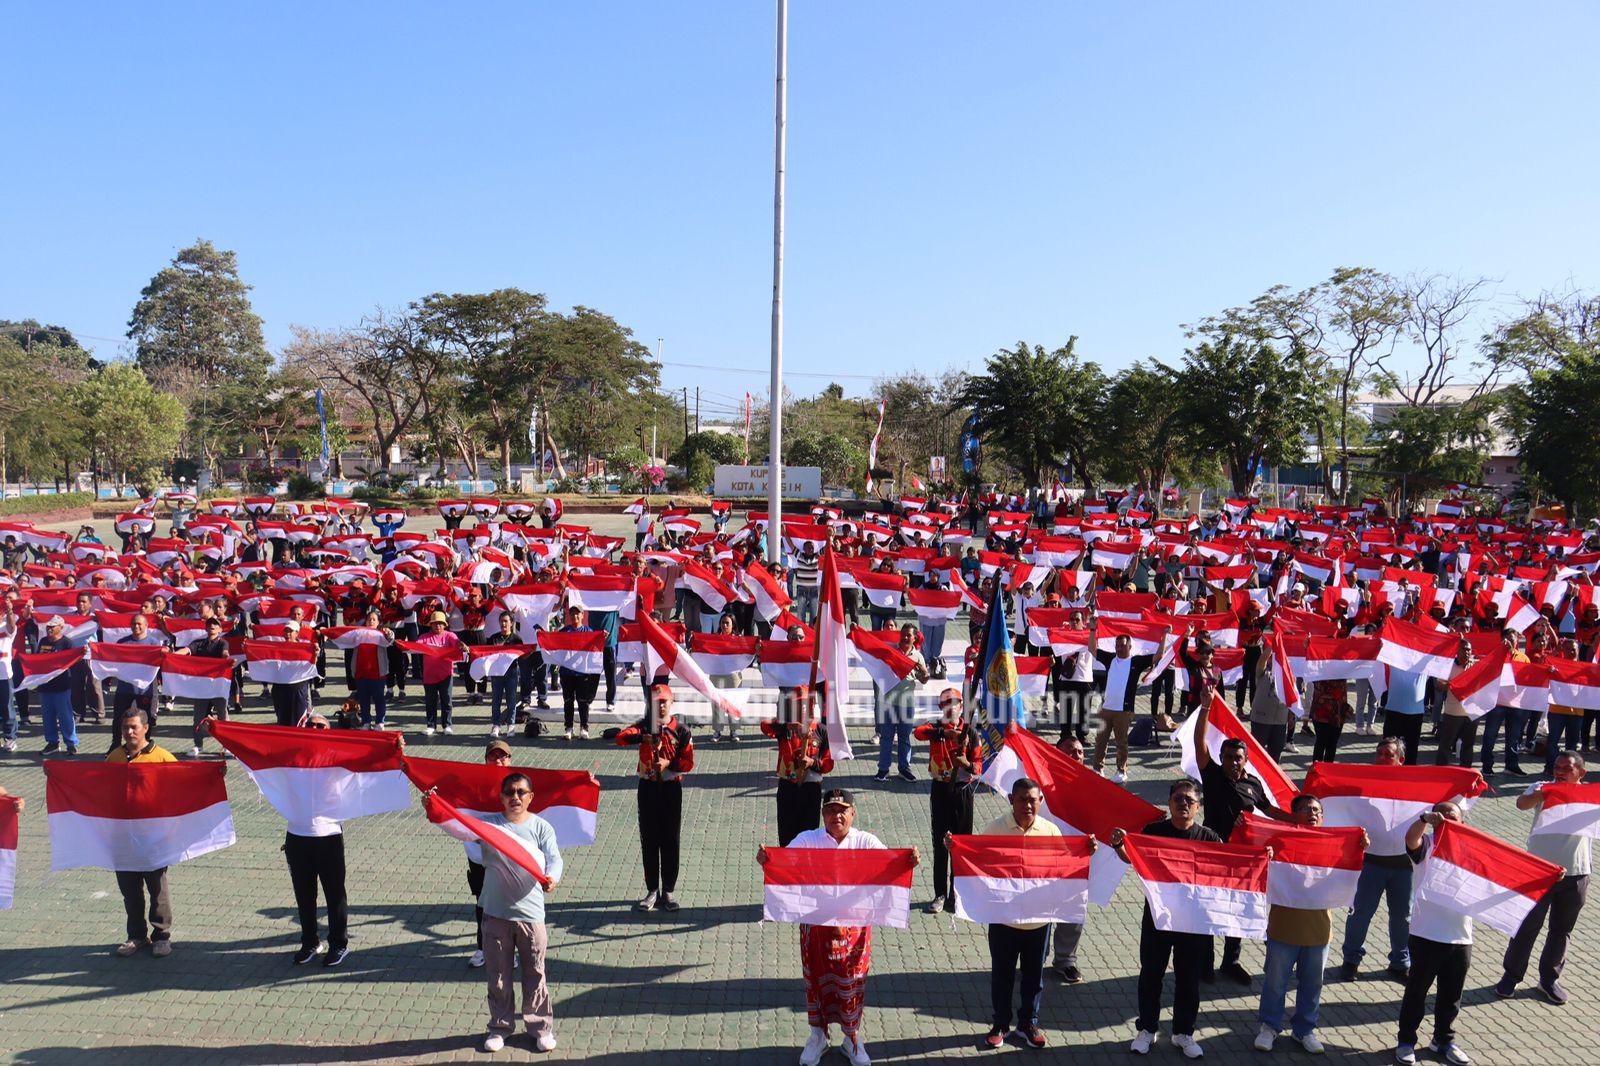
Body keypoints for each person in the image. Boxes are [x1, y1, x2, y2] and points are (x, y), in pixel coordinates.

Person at [757, 788, 916, 1066]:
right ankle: (817, 1036)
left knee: (853, 983)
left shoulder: (866, 842)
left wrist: (908, 862)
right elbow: (785, 865)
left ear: (853, 813)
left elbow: (890, 866)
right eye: (831, 810)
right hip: (816, 930)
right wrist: (768, 861)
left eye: (843, 810)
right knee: (816, 983)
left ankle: (852, 1038)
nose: (837, 815)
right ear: (823, 814)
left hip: (854, 934)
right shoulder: (808, 840)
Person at [1110, 780, 1218, 1059]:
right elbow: (1132, 859)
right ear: (1169, 803)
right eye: (1178, 798)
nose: (1183, 803)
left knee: (1188, 979)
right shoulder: (1153, 832)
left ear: (1198, 806)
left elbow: (1226, 870)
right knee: (1151, 975)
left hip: (1193, 924)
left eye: (1189, 800)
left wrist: (1260, 857)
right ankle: (1146, 1029)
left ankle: (1184, 1033)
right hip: (1158, 919)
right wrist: (1120, 846)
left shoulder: (1209, 838)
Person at [1254, 794, 1367, 1054]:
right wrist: (1264, 854)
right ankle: (1269, 1027)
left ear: (1323, 817)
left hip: (1319, 932)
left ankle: (1304, 1030)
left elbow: (1351, 876)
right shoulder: (1279, 841)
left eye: (1316, 809)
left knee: (1312, 985)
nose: (1312, 813)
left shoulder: (1335, 845)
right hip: (1283, 928)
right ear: (1293, 815)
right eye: (1305, 809)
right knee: (1275, 982)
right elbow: (1257, 870)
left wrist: (1360, 847)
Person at [970, 777, 1075, 1050]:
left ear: (1040, 802)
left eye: (1033, 800)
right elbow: (977, 862)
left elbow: (1064, 869)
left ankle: (1028, 1023)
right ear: (1011, 800)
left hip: (1038, 922)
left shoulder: (1051, 831)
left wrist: (1084, 853)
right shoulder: (995, 829)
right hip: (1004, 920)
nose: (1028, 805)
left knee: (1033, 977)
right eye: (1022, 799)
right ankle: (1001, 1024)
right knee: (1002, 975)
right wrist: (956, 850)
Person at [1192, 694, 1289, 985]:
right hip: (1212, 852)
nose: (1233, 762)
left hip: (1242, 858)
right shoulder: (1212, 775)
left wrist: (1301, 822)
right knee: (1209, 906)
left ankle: (1231, 962)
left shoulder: (1253, 784)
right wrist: (1206, 707)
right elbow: (1200, 742)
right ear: (1221, 759)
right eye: (1228, 757)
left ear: (1246, 760)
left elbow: (1271, 812)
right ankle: (1204, 964)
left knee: (1237, 907)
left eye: (1238, 757)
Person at [476, 770, 563, 1054]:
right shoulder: (488, 826)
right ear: (501, 798)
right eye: (509, 793)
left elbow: (554, 859)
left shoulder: (541, 828)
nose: (515, 797)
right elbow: (457, 829)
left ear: (530, 797)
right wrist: (434, 807)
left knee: (535, 973)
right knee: (498, 976)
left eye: (520, 792)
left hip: (530, 914)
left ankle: (540, 1028)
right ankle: (499, 1028)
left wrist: (553, 878)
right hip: (496, 912)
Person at [1496, 750, 1590, 1006]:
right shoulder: (1542, 786)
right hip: (1537, 871)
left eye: (1566, 769)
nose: (1559, 772)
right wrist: (1542, 794)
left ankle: (1548, 980)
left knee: (1561, 931)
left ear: (1581, 773)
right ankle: (1511, 976)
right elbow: (1522, 804)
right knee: (1526, 926)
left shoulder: (1590, 795)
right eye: (1557, 767)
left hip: (1577, 872)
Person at [1394, 801, 1472, 1066]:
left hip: (1461, 936)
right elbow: (1410, 838)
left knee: (1451, 995)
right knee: (1417, 991)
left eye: (1454, 816)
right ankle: (1406, 1041)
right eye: (1442, 815)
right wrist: (1424, 819)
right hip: (1426, 932)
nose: (1447, 819)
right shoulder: (1426, 844)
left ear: (1463, 822)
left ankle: (1443, 1040)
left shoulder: (1472, 849)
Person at [1340, 737, 1416, 983]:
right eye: (1379, 753)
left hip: (1404, 865)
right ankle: (1350, 960)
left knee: (1402, 917)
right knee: (1360, 913)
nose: (1382, 758)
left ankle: (1400, 962)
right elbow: (1343, 804)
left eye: (1389, 755)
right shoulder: (1363, 783)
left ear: (1401, 760)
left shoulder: (1417, 786)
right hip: (1371, 862)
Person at [616, 683, 694, 912]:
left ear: (672, 702)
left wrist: (669, 763)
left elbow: (689, 762)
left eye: (664, 702)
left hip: (671, 789)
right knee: (649, 839)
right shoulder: (643, 726)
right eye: (656, 702)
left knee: (671, 839)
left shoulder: (681, 730)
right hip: (648, 788)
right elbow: (621, 738)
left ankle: (668, 890)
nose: (660, 706)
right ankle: (652, 890)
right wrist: (643, 738)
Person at [107, 708, 177, 957]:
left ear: (146, 728)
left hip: (153, 838)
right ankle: (136, 936)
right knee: (130, 891)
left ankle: (161, 936)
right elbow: (97, 789)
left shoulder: (163, 758)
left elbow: (185, 785)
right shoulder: (114, 757)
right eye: (125, 727)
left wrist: (213, 776)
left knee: (157, 889)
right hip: (123, 838)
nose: (128, 732)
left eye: (134, 727)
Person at [913, 687, 981, 914]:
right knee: (940, 844)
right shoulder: (935, 728)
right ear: (940, 707)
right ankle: (940, 894)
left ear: (962, 706)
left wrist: (966, 764)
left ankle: (957, 894)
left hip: (963, 791)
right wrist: (944, 734)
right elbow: (918, 733)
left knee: (960, 845)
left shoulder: (971, 732)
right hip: (940, 789)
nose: (950, 708)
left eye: (955, 703)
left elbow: (979, 766)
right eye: (946, 704)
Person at [466, 738, 518, 968]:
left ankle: (509, 952)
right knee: (483, 903)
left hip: (509, 857)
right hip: (480, 856)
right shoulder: (472, 784)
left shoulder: (520, 785)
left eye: (503, 756)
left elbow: (553, 788)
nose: (498, 760)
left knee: (508, 905)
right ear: (485, 760)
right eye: (493, 756)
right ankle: (483, 948)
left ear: (510, 760)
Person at [760, 686, 833, 846]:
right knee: (786, 837)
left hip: (810, 789)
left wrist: (812, 762)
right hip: (788, 787)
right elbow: (765, 726)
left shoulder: (821, 731)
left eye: (804, 705)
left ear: (812, 706)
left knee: (809, 837)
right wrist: (788, 725)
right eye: (796, 705)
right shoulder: (784, 728)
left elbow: (828, 764)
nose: (801, 709)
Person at [1093, 622, 1160, 783]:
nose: (1119, 648)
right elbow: (1092, 649)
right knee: (1100, 740)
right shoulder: (1110, 659)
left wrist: (1163, 636)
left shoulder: (1135, 662)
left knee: (1121, 742)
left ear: (1130, 647)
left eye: (1122, 646)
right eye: (1117, 645)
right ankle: (1097, 768)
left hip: (1124, 710)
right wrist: (1092, 629)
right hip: (1106, 708)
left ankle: (1121, 770)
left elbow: (1158, 656)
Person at [1049, 729, 1089, 983]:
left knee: (1074, 911)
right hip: (1045, 858)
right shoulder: (1042, 783)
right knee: (1039, 909)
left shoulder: (1094, 784)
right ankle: (1035, 956)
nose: (1076, 755)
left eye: (1080, 752)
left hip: (1077, 860)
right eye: (1070, 751)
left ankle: (1065, 961)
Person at [873, 624, 928, 783]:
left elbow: (924, 679)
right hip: (889, 703)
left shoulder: (918, 656)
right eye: (903, 635)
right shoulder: (892, 651)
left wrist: (923, 672)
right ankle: (883, 770)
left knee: (904, 738)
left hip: (907, 704)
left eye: (908, 635)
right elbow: (873, 645)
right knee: (886, 737)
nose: (904, 638)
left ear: (914, 638)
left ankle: (904, 769)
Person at [180, 616, 231, 758]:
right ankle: (198, 745)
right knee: (198, 717)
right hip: (202, 688)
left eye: (215, 625)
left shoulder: (223, 643)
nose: (212, 627)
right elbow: (186, 650)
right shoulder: (198, 644)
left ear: (220, 629)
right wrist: (172, 655)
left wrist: (226, 657)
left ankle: (227, 746)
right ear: (206, 628)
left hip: (218, 686)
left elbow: (225, 653)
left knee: (223, 717)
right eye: (210, 625)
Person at [415, 610, 466, 735]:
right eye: (435, 623)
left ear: (445, 624)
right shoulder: (424, 637)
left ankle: (447, 725)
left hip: (446, 675)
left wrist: (461, 645)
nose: (438, 626)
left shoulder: (450, 636)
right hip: (429, 676)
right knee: (430, 701)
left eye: (440, 623)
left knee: (446, 701)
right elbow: (415, 646)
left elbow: (457, 643)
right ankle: (431, 725)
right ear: (431, 625)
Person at [34, 615, 80, 755]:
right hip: (45, 686)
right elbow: (36, 659)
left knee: (65, 716)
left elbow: (74, 663)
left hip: (61, 687)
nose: (49, 629)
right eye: (48, 626)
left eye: (52, 626)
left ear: (61, 627)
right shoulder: (42, 641)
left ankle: (71, 744)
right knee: (47, 717)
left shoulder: (67, 643)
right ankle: (52, 743)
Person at [556, 605, 599, 740]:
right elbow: (553, 644)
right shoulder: (563, 632)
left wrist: (602, 637)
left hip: (582, 673)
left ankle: (584, 728)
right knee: (568, 701)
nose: (575, 616)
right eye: (572, 614)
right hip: (567, 673)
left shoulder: (589, 631)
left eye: (577, 614)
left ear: (582, 615)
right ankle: (569, 728)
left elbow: (596, 646)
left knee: (582, 702)